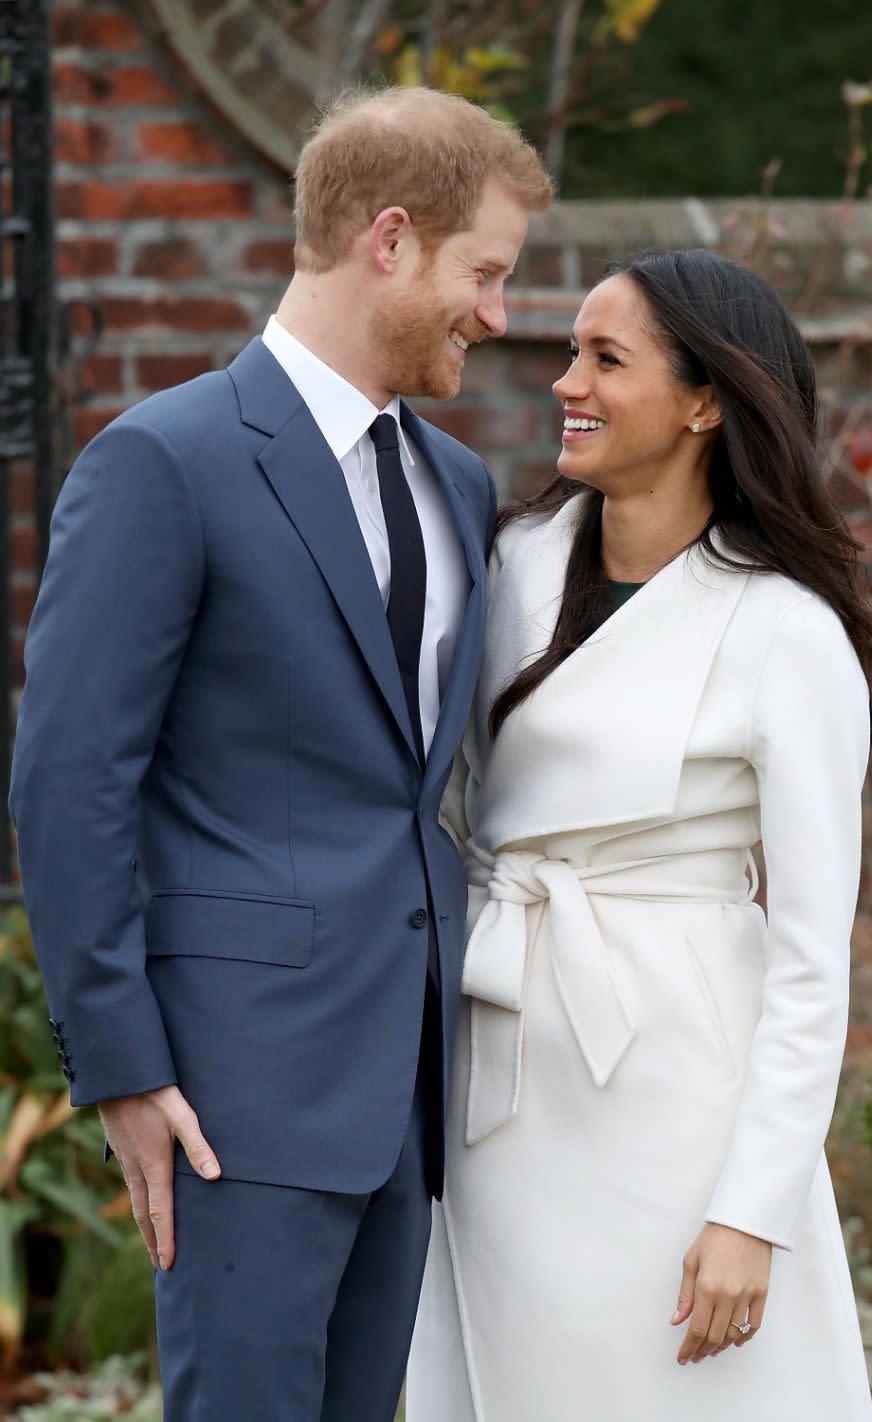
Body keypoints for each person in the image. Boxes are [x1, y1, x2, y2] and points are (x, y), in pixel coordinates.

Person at [9, 86, 551, 1422]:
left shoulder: (459, 483)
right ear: (389, 240)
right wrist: (125, 1068)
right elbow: (68, 782)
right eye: (483, 272)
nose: (497, 314)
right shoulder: (165, 462)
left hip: (406, 1083)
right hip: (228, 1091)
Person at [407, 248, 872, 1421]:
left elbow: (808, 964)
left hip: (685, 1097)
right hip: (504, 1066)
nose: (564, 383)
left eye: (605, 358)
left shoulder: (786, 632)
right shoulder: (505, 562)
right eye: (570, 353)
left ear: (704, 401)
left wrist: (752, 1210)